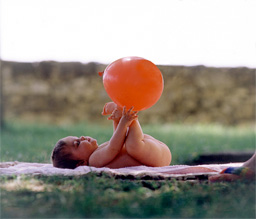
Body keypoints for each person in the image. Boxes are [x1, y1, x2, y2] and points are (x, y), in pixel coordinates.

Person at [51, 102, 172, 169]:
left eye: (78, 137)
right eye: (77, 143)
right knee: (132, 145)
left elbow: (117, 140)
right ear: (81, 163)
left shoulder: (98, 152)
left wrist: (117, 121)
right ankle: (131, 117)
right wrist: (124, 122)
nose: (82, 137)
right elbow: (114, 147)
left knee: (130, 143)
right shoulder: (93, 161)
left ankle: (126, 115)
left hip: (152, 152)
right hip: (155, 159)